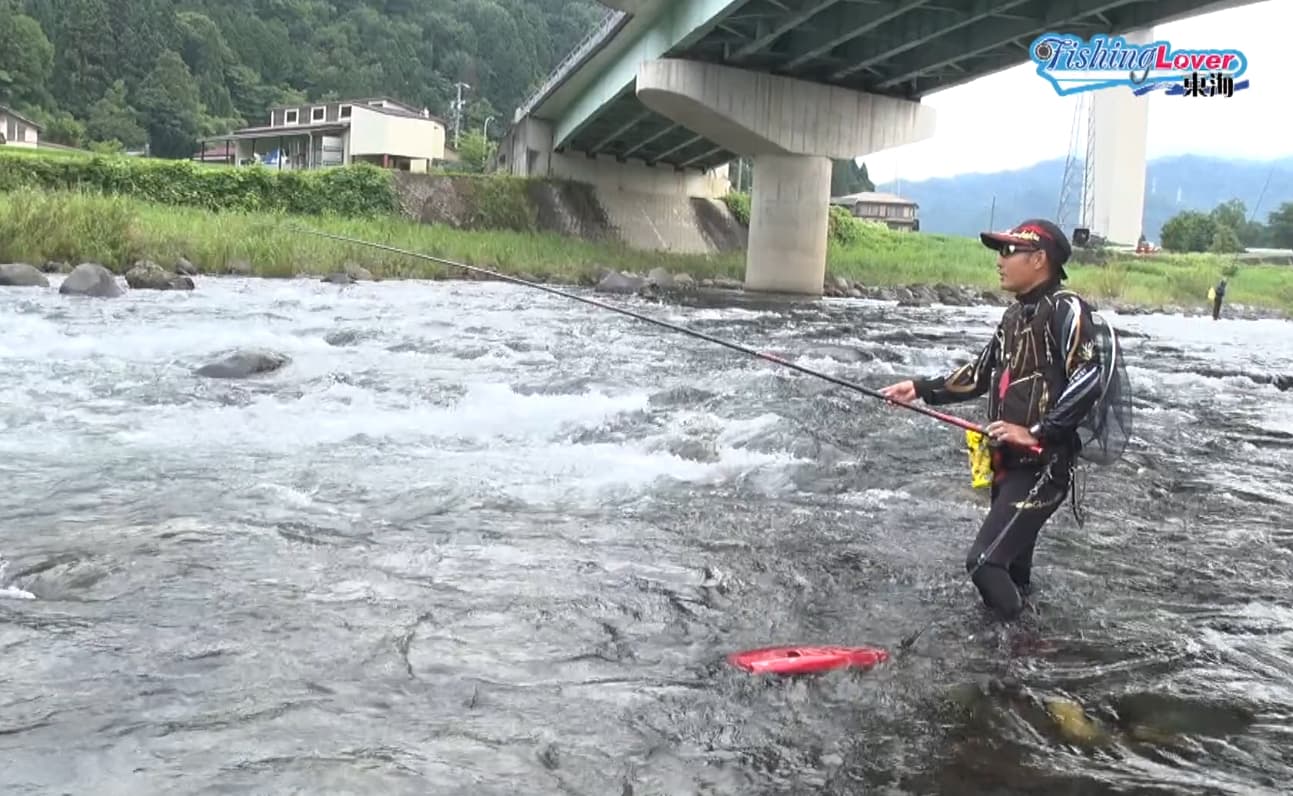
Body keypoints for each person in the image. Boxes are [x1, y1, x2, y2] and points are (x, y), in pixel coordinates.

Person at [880, 219, 1105, 622]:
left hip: (1043, 467)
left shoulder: (1067, 309)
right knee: (1013, 572)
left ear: (1039, 260)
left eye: (1008, 252)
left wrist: (1036, 432)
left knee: (984, 563)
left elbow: (1092, 376)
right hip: (1006, 466)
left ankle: (1018, 645)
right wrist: (919, 387)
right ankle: (1019, 658)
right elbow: (980, 375)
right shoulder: (1013, 318)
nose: (999, 261)